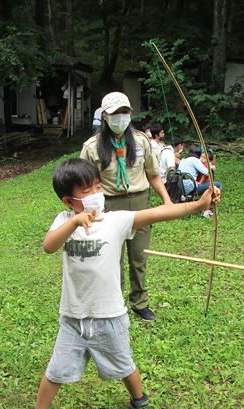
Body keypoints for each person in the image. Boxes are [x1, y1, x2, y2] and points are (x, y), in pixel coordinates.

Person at [20, 158, 221, 409]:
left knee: (125, 364)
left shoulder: (116, 220)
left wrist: (198, 205)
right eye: (88, 189)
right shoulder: (64, 221)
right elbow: (49, 245)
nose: (96, 192)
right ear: (69, 200)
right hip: (73, 318)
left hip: (109, 315)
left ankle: (140, 401)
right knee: (56, 370)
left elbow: (158, 213)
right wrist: (75, 222)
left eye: (98, 185)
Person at [80, 92, 173, 322]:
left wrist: (167, 201)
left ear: (130, 114)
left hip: (140, 204)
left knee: (139, 257)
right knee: (112, 259)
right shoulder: (92, 147)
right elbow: (82, 181)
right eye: (114, 114)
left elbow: (153, 174)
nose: (120, 117)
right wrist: (85, 212)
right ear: (105, 117)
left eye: (124, 112)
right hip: (109, 205)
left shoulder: (141, 141)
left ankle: (139, 302)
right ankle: (115, 302)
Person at [178, 145, 222, 218]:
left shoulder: (183, 160)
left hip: (181, 187)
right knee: (217, 185)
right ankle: (207, 209)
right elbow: (207, 172)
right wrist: (211, 167)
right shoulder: (194, 160)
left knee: (206, 184)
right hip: (191, 188)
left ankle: (201, 205)